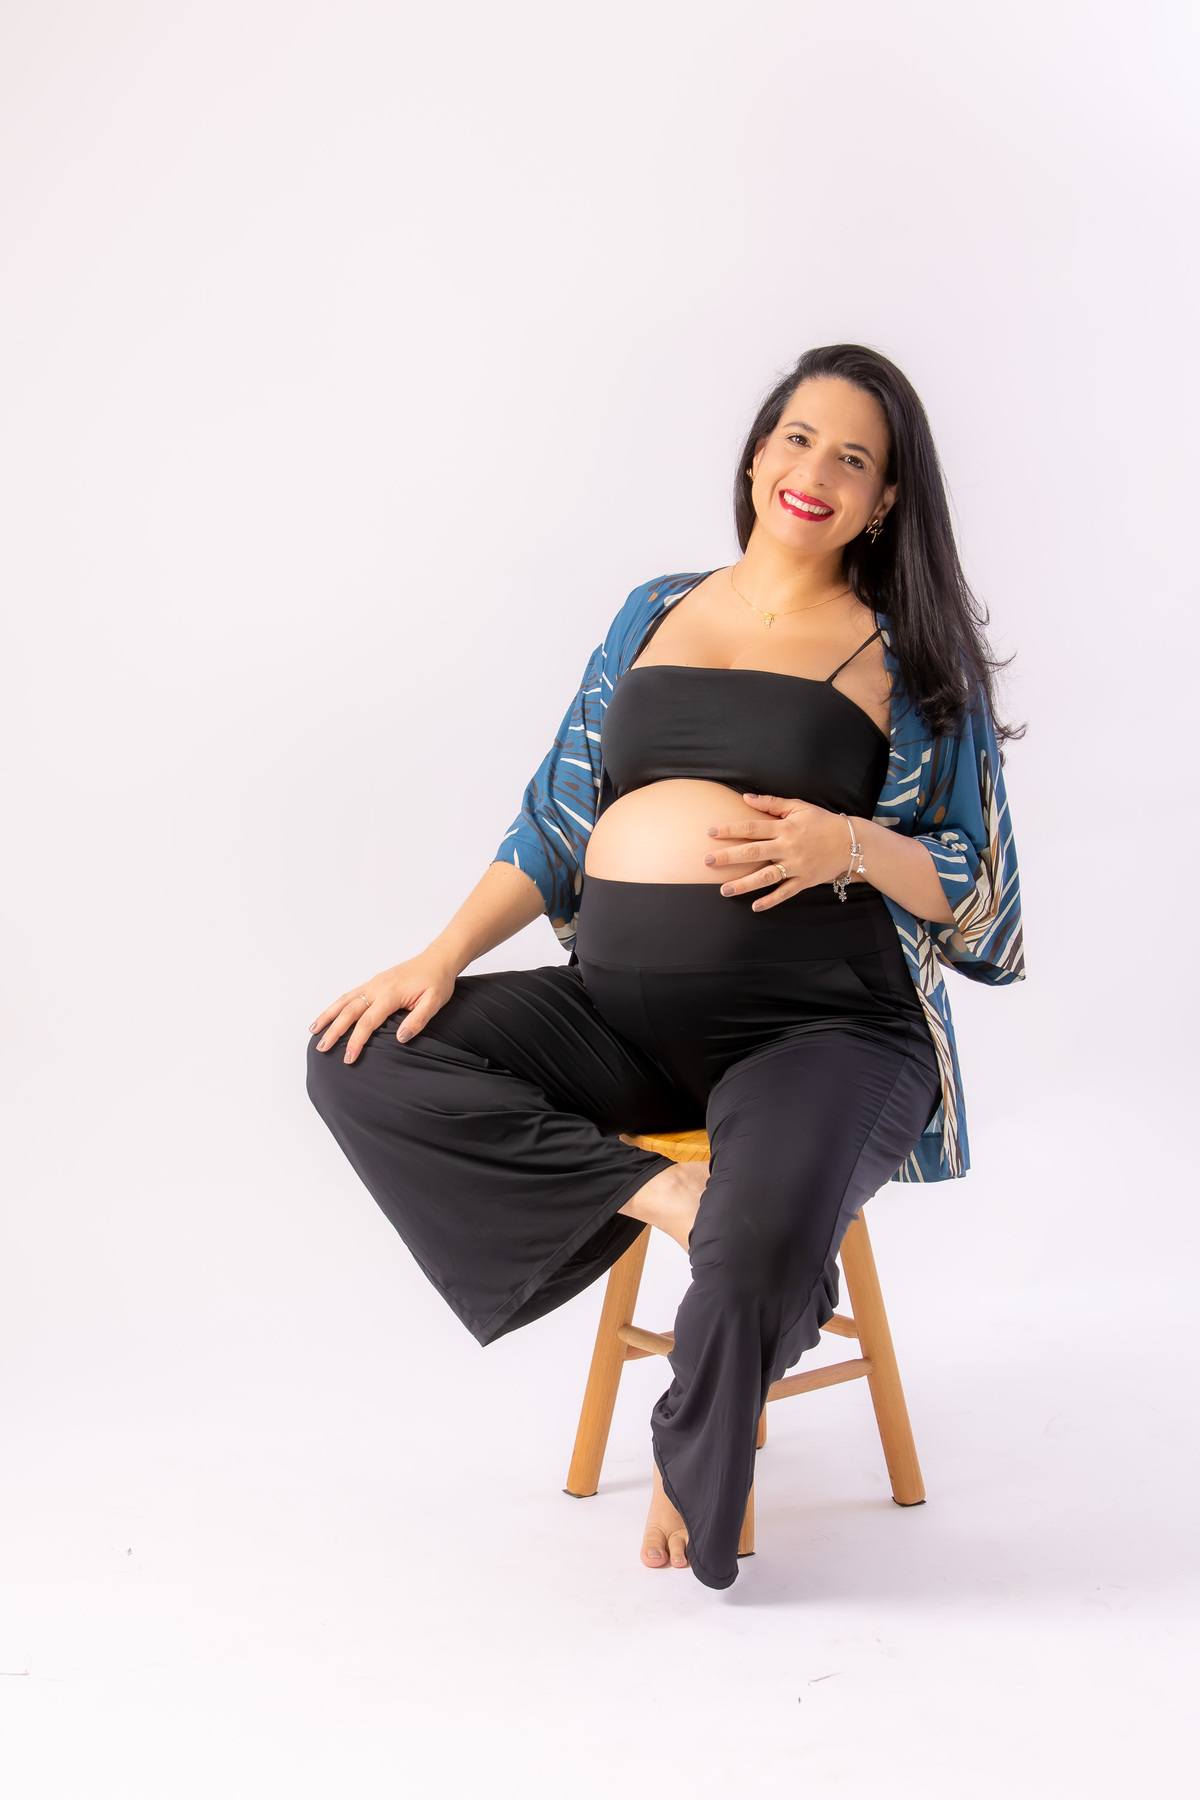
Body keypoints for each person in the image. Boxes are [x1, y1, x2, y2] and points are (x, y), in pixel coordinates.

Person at [306, 343, 1024, 1590]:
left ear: (884, 501)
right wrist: (438, 958)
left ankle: (698, 1444)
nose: (815, 473)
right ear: (756, 454)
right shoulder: (652, 610)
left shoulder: (906, 657)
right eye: (798, 439)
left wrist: (851, 843)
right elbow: (557, 819)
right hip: (617, 1018)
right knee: (361, 1057)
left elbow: (982, 897)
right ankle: (669, 1194)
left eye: (854, 459)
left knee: (753, 1265)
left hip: (822, 1026)